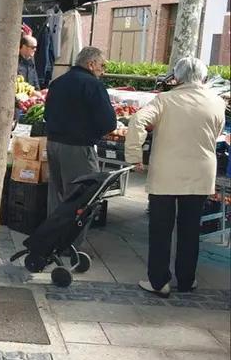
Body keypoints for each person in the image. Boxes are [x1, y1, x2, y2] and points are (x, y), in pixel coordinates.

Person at [125, 57, 225, 298]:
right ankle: (187, 279)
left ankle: (159, 282)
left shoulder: (165, 100)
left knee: (160, 229)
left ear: (176, 78)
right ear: (203, 77)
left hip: (165, 174)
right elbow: (218, 131)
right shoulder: (217, 102)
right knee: (190, 229)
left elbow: (138, 120)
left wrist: (134, 155)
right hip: (200, 174)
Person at [43, 46, 116, 251]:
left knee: (56, 197)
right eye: (102, 65)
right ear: (91, 64)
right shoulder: (93, 85)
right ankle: (73, 246)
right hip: (78, 147)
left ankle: (53, 240)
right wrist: (93, 133)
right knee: (82, 197)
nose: (103, 70)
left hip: (54, 144)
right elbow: (109, 122)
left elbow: (47, 114)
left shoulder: (58, 82)